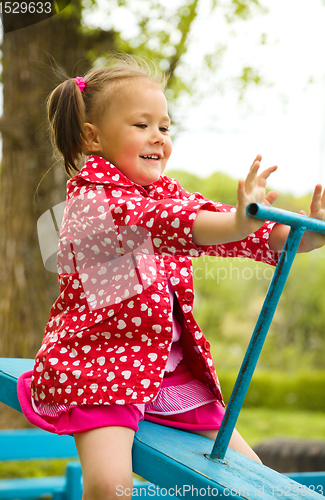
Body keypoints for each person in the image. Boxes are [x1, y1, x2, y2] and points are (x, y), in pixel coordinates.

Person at [18, 56, 325, 500]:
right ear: (93, 136)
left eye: (165, 127)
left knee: (255, 481)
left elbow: (222, 225)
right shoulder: (95, 201)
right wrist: (237, 223)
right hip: (99, 366)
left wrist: (301, 233)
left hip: (167, 375)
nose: (158, 138)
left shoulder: (165, 190)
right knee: (110, 485)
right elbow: (178, 223)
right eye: (142, 125)